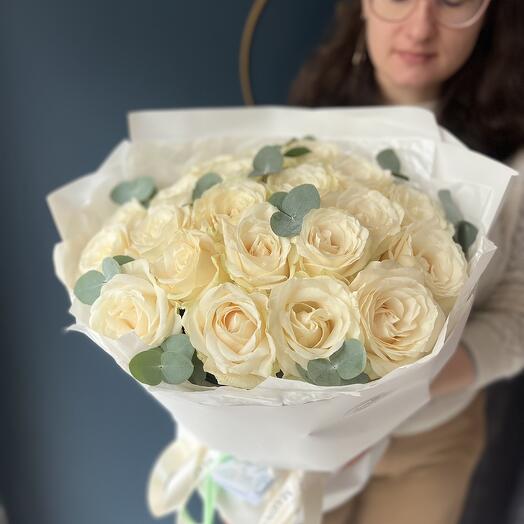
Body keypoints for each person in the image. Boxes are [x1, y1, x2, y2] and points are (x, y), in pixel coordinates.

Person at [288, 1, 524, 523]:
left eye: (453, 0)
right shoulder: (304, 125)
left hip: (433, 438)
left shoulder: (514, 156)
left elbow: (518, 317)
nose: (420, 26)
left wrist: (387, 398)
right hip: (309, 444)